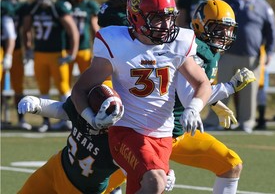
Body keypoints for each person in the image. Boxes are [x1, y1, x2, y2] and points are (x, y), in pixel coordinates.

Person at [17, 67, 252, 193]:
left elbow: (137, 167)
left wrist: (164, 175)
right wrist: (37, 105)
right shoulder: (85, 106)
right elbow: (62, 109)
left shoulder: (122, 136)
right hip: (57, 168)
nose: (99, 113)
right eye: (96, 105)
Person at [71, 0, 212, 194]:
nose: (166, 25)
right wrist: (91, 118)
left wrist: (194, 107)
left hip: (164, 136)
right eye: (158, 18)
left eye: (170, 17)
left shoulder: (179, 42)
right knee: (155, 181)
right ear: (136, 18)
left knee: (148, 187)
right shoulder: (116, 42)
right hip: (127, 131)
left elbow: (203, 83)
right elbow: (80, 89)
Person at [205, 0, 275, 133]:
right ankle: (213, 120)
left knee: (249, 93)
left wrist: (270, 51)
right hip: (227, 54)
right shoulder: (228, 3)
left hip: (251, 56)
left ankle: (246, 123)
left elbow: (271, 30)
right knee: (220, 89)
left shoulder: (262, 6)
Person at [22, 0, 79, 132]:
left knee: (63, 87)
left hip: (57, 55)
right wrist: (28, 48)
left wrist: (72, 53)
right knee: (43, 88)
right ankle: (45, 121)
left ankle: (68, 120)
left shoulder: (58, 7)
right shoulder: (33, 8)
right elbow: (26, 28)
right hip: (39, 54)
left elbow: (72, 30)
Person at [1, 0, 32, 130]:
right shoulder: (5, 6)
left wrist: (28, 47)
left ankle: (21, 118)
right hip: (3, 47)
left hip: (16, 48)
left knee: (18, 85)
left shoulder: (21, 6)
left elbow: (25, 29)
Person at [60, 0, 100, 86]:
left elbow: (95, 29)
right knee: (64, 82)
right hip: (67, 48)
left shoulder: (90, 5)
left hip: (84, 48)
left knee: (89, 82)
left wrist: (96, 51)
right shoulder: (65, 4)